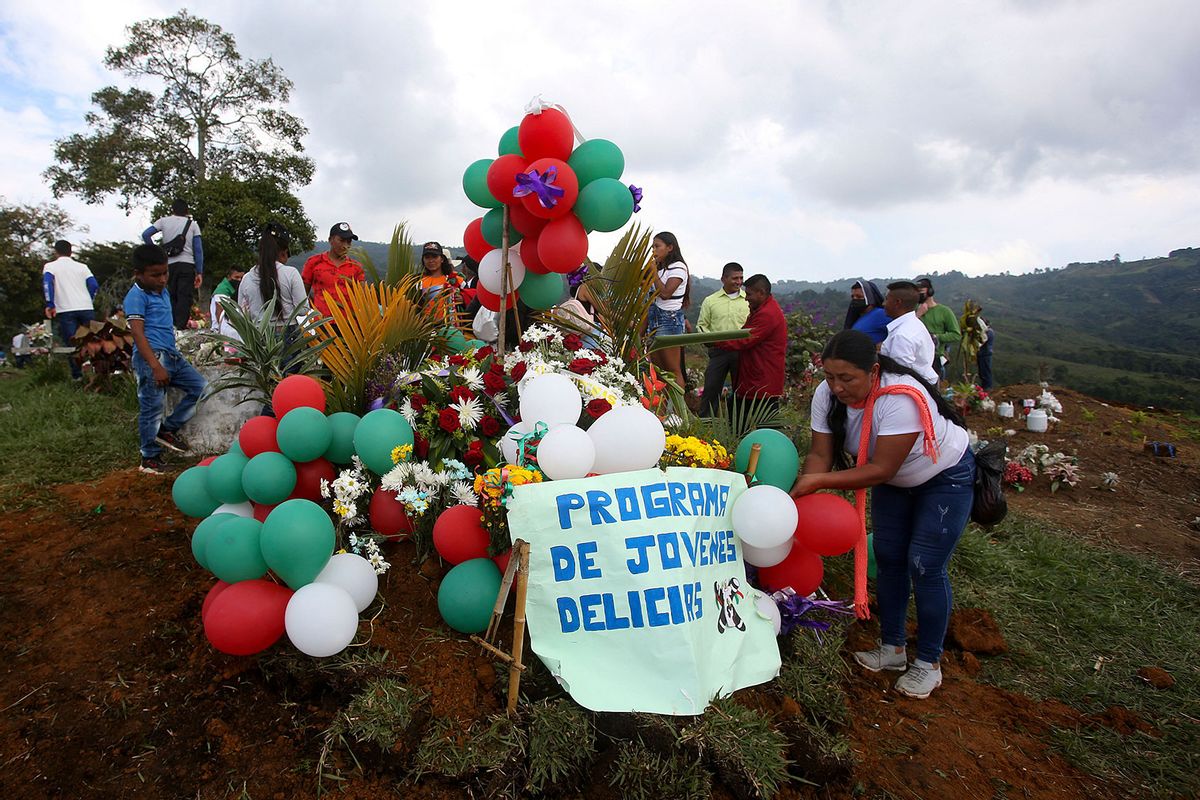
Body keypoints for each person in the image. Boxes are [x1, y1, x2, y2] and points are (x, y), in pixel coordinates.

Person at [792, 329, 974, 699]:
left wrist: (819, 482)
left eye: (847, 378)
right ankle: (892, 648)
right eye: (829, 376)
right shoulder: (827, 395)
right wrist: (809, 480)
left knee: (924, 564)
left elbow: (882, 468)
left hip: (943, 477)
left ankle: (928, 662)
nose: (837, 387)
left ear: (873, 372)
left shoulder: (900, 397)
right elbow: (821, 453)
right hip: (896, 480)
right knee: (889, 557)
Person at [124, 243, 208, 475]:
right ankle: (149, 459)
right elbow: (138, 334)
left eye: (165, 273)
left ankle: (167, 430)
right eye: (155, 275)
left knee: (201, 388)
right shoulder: (136, 297)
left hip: (172, 355)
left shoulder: (162, 292)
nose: (162, 279)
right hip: (152, 358)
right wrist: (155, 366)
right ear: (138, 274)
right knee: (152, 408)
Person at [711, 273, 787, 420]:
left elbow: (744, 339)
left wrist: (715, 341)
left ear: (761, 293)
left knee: (763, 425)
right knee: (737, 415)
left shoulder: (767, 314)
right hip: (753, 379)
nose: (746, 298)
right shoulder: (761, 310)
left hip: (762, 382)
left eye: (749, 294)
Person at [696, 262, 750, 416]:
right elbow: (702, 326)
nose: (739, 282)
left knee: (741, 391)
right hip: (718, 351)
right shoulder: (711, 300)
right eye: (735, 278)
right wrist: (710, 341)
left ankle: (738, 427)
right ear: (723, 279)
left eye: (741, 278)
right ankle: (706, 425)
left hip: (741, 351)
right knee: (711, 389)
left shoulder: (748, 300)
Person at [142, 199, 203, 330]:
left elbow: (146, 234)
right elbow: (198, 250)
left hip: (168, 265)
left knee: (170, 295)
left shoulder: (163, 221)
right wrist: (199, 272)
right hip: (187, 264)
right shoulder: (192, 225)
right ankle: (181, 326)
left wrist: (156, 252)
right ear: (187, 211)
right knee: (184, 296)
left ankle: (171, 325)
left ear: (172, 210)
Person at [42, 239, 99, 380]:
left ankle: (77, 376)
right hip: (86, 307)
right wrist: (88, 299)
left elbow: (47, 283)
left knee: (72, 344)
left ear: (56, 252)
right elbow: (94, 285)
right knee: (92, 341)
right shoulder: (82, 267)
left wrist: (50, 304)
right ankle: (97, 373)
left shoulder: (50, 266)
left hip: (65, 308)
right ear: (71, 251)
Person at [648, 232, 690, 390]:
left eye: (657, 246)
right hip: (655, 319)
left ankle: (679, 409)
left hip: (670, 320)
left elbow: (665, 294)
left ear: (670, 247)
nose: (653, 250)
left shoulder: (678, 267)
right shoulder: (661, 269)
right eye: (653, 246)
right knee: (659, 371)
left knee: (673, 369)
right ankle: (664, 408)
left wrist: (653, 272)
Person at [302, 222, 365, 318]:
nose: (345, 245)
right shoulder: (314, 262)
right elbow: (303, 293)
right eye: (341, 240)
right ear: (330, 240)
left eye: (348, 242)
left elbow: (363, 296)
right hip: (322, 323)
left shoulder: (356, 267)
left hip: (349, 324)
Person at [880, 281, 938, 385]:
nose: (883, 304)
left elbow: (898, 377)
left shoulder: (902, 336)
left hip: (912, 389)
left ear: (897, 302)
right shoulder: (915, 325)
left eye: (887, 299)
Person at [915, 278, 961, 382]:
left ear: (930, 291)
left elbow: (956, 334)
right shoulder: (915, 310)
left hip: (935, 357)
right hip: (916, 358)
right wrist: (918, 315)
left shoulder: (945, 311)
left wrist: (936, 337)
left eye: (921, 292)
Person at [418, 241, 466, 321]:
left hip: (452, 329)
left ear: (442, 259)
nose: (431, 260)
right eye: (427, 257)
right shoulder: (418, 282)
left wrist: (463, 298)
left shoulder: (456, 280)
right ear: (423, 260)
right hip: (426, 329)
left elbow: (473, 299)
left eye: (434, 256)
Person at [843, 280, 890, 345]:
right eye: (853, 297)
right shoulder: (858, 317)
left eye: (859, 297)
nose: (855, 299)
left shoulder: (881, 314)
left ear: (870, 298)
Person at [210, 266, 246, 340]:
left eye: (241, 278)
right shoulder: (222, 290)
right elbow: (219, 314)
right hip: (222, 330)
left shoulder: (234, 289)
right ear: (229, 277)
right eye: (236, 277)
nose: (239, 280)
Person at [976, 314, 995, 391]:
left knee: (986, 371)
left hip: (985, 354)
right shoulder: (987, 332)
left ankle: (988, 387)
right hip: (982, 354)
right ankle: (985, 387)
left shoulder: (988, 332)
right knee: (982, 372)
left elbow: (982, 342)